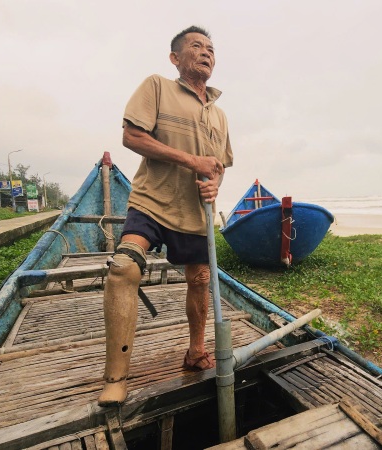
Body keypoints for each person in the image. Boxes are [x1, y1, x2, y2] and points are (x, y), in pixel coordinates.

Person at [99, 25, 233, 406]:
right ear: (175, 58)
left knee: (200, 279)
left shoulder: (220, 115)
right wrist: (191, 160)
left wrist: (215, 184)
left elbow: (219, 164)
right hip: (152, 201)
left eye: (210, 47)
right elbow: (132, 136)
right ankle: (115, 378)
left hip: (195, 212)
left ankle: (195, 351)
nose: (206, 52)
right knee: (123, 268)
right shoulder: (157, 86)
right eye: (196, 46)